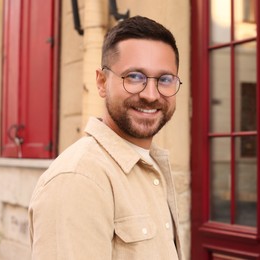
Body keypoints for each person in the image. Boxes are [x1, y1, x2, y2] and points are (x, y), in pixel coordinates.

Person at [28, 16, 183, 259]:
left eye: (164, 79)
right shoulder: (79, 180)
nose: (151, 95)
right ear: (102, 82)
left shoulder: (149, 166)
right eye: (135, 77)